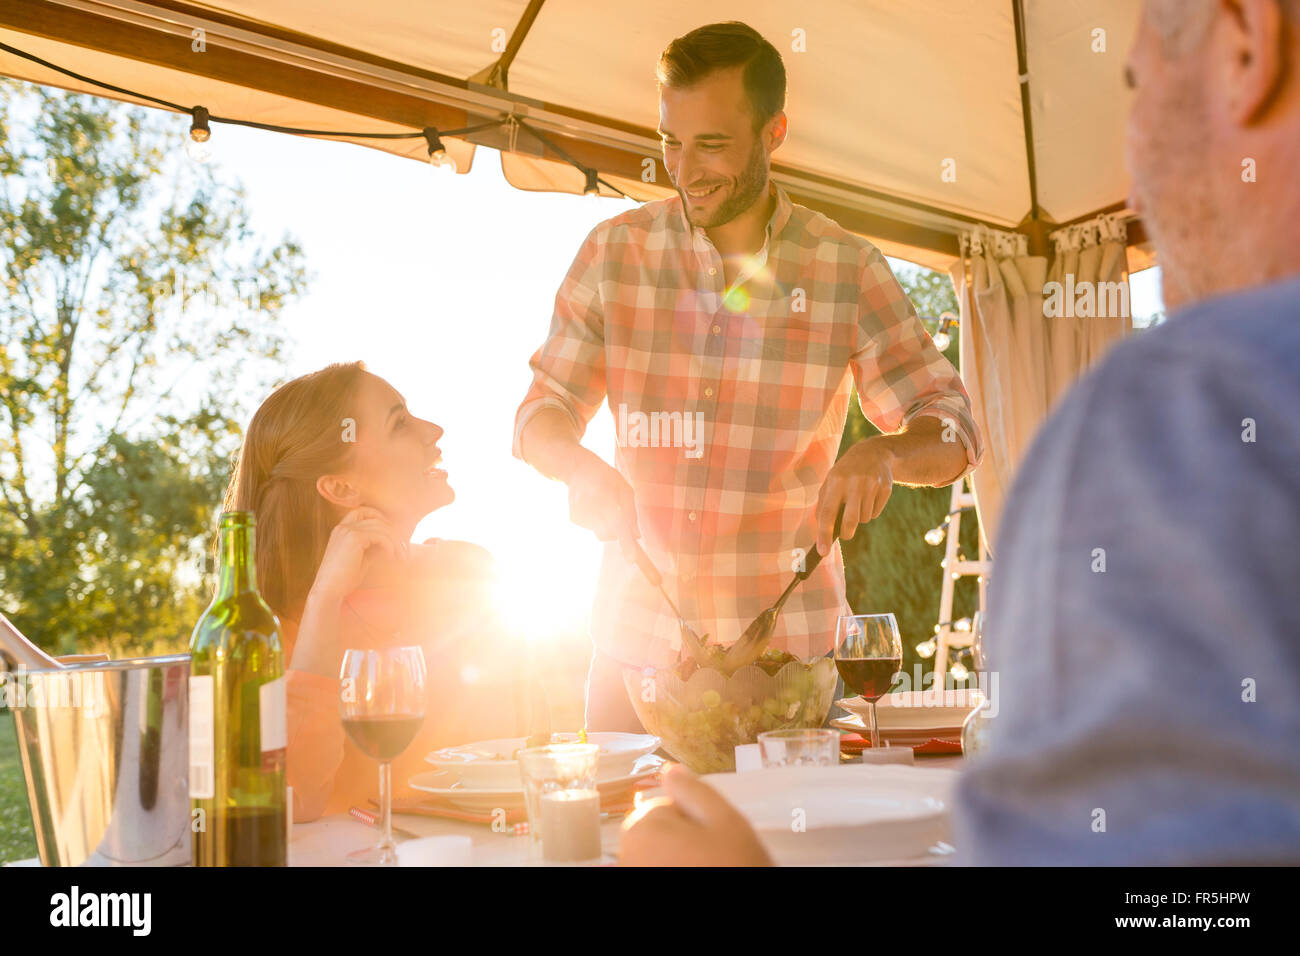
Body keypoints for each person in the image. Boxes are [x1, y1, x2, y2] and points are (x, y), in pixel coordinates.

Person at [619, 0, 1300, 865]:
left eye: (1140, 94)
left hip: (787, 696)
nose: (1136, 182)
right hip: (645, 668)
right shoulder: (618, 257)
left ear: (1246, 47)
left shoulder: (1180, 419)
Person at [512, 21, 981, 733]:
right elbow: (540, 415)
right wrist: (576, 467)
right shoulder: (613, 255)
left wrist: (883, 452)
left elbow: (951, 426)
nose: (685, 168)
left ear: (774, 132)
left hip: (791, 672)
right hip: (634, 667)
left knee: (786, 846)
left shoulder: (844, 268)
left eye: (713, 144)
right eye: (672, 140)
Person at [219, 361, 517, 823]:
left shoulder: (470, 573)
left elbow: (525, 754)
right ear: (340, 487)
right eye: (399, 423)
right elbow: (290, 803)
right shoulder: (274, 632)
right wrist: (325, 601)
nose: (433, 430)